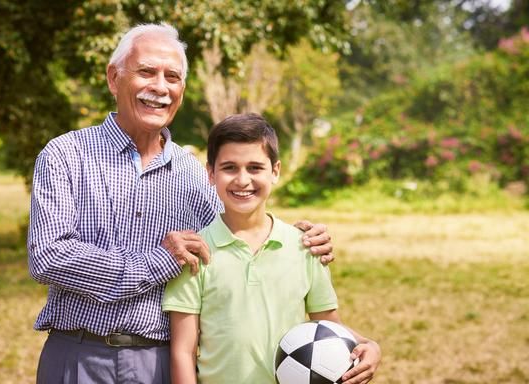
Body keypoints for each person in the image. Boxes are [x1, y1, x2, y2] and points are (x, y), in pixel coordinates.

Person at [27, 23, 334, 384]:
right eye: (146, 72)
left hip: (160, 362)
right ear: (114, 79)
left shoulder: (192, 172)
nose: (160, 87)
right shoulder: (66, 154)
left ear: (182, 91)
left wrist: (302, 238)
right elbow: (48, 257)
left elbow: (233, 234)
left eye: (172, 77)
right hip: (78, 357)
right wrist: (158, 262)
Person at [163, 113, 381, 384]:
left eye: (255, 168)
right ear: (211, 173)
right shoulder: (196, 253)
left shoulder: (304, 247)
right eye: (230, 167)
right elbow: (183, 351)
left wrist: (370, 345)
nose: (242, 180)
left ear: (275, 171)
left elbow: (329, 326)